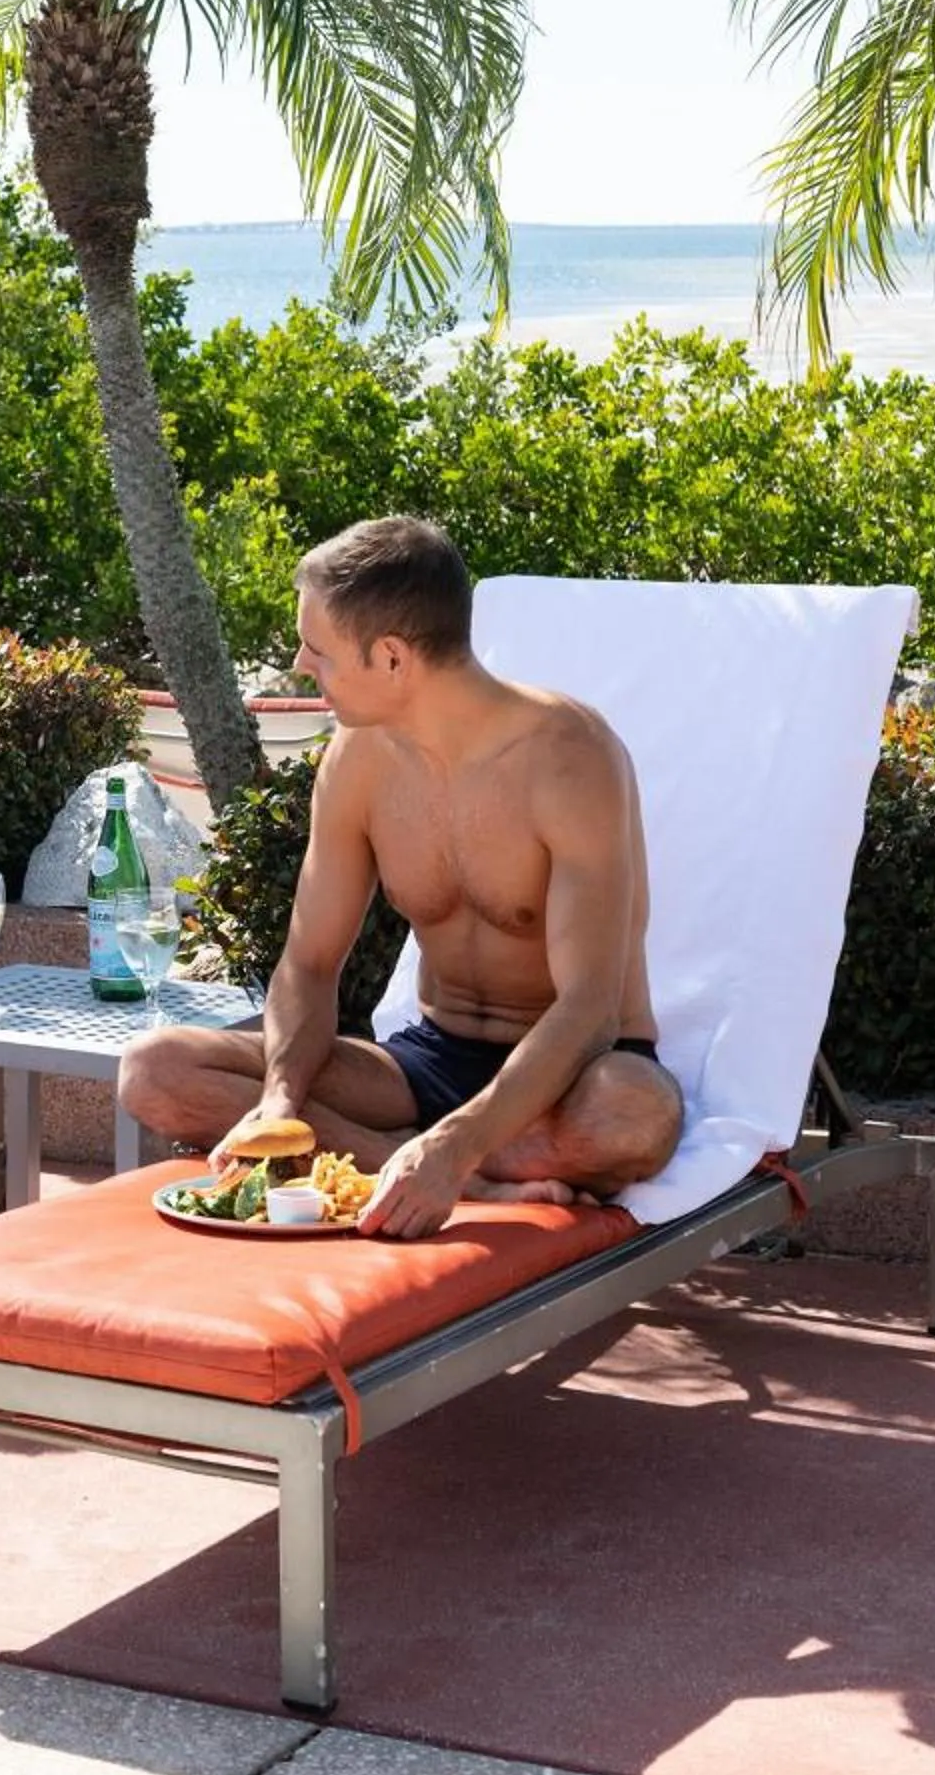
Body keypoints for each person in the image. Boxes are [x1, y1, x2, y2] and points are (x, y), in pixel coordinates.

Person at [117, 516, 684, 1238]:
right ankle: (447, 1174)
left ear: (390, 657)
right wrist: (280, 1103)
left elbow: (591, 1009)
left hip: (574, 1074)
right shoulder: (358, 760)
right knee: (156, 1069)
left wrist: (455, 1140)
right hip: (430, 1060)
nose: (299, 662)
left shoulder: (571, 758)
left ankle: (440, 1161)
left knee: (637, 1115)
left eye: (317, 649)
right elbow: (311, 961)